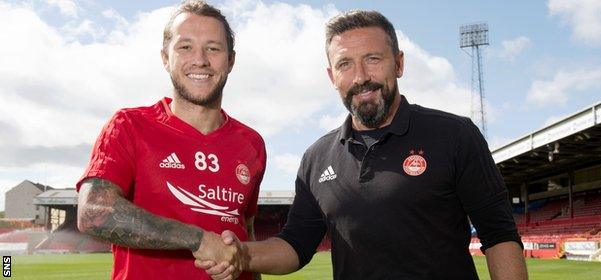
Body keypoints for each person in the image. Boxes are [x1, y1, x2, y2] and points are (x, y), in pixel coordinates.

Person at [201, 10, 528, 280]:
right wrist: (241, 254)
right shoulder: (317, 158)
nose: (360, 76)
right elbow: (296, 246)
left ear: (398, 63)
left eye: (372, 59)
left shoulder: (455, 135)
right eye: (345, 64)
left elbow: (498, 234)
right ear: (332, 77)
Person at [76, 1, 265, 279]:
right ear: (165, 58)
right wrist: (198, 239)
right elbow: (93, 212)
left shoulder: (252, 143)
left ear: (231, 60)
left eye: (213, 48)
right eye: (185, 47)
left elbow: (245, 235)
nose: (200, 59)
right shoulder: (128, 126)